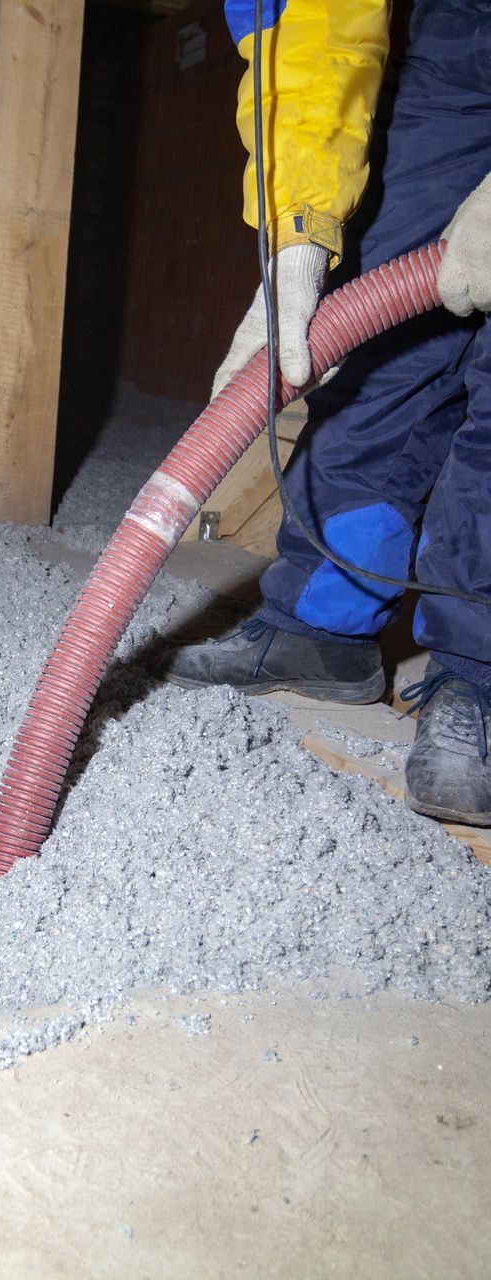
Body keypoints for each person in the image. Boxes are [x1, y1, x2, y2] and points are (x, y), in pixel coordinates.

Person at [160, 0, 491, 826]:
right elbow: (310, 37)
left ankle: (481, 672)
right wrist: (299, 237)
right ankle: (323, 623)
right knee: (382, 337)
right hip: (462, 35)